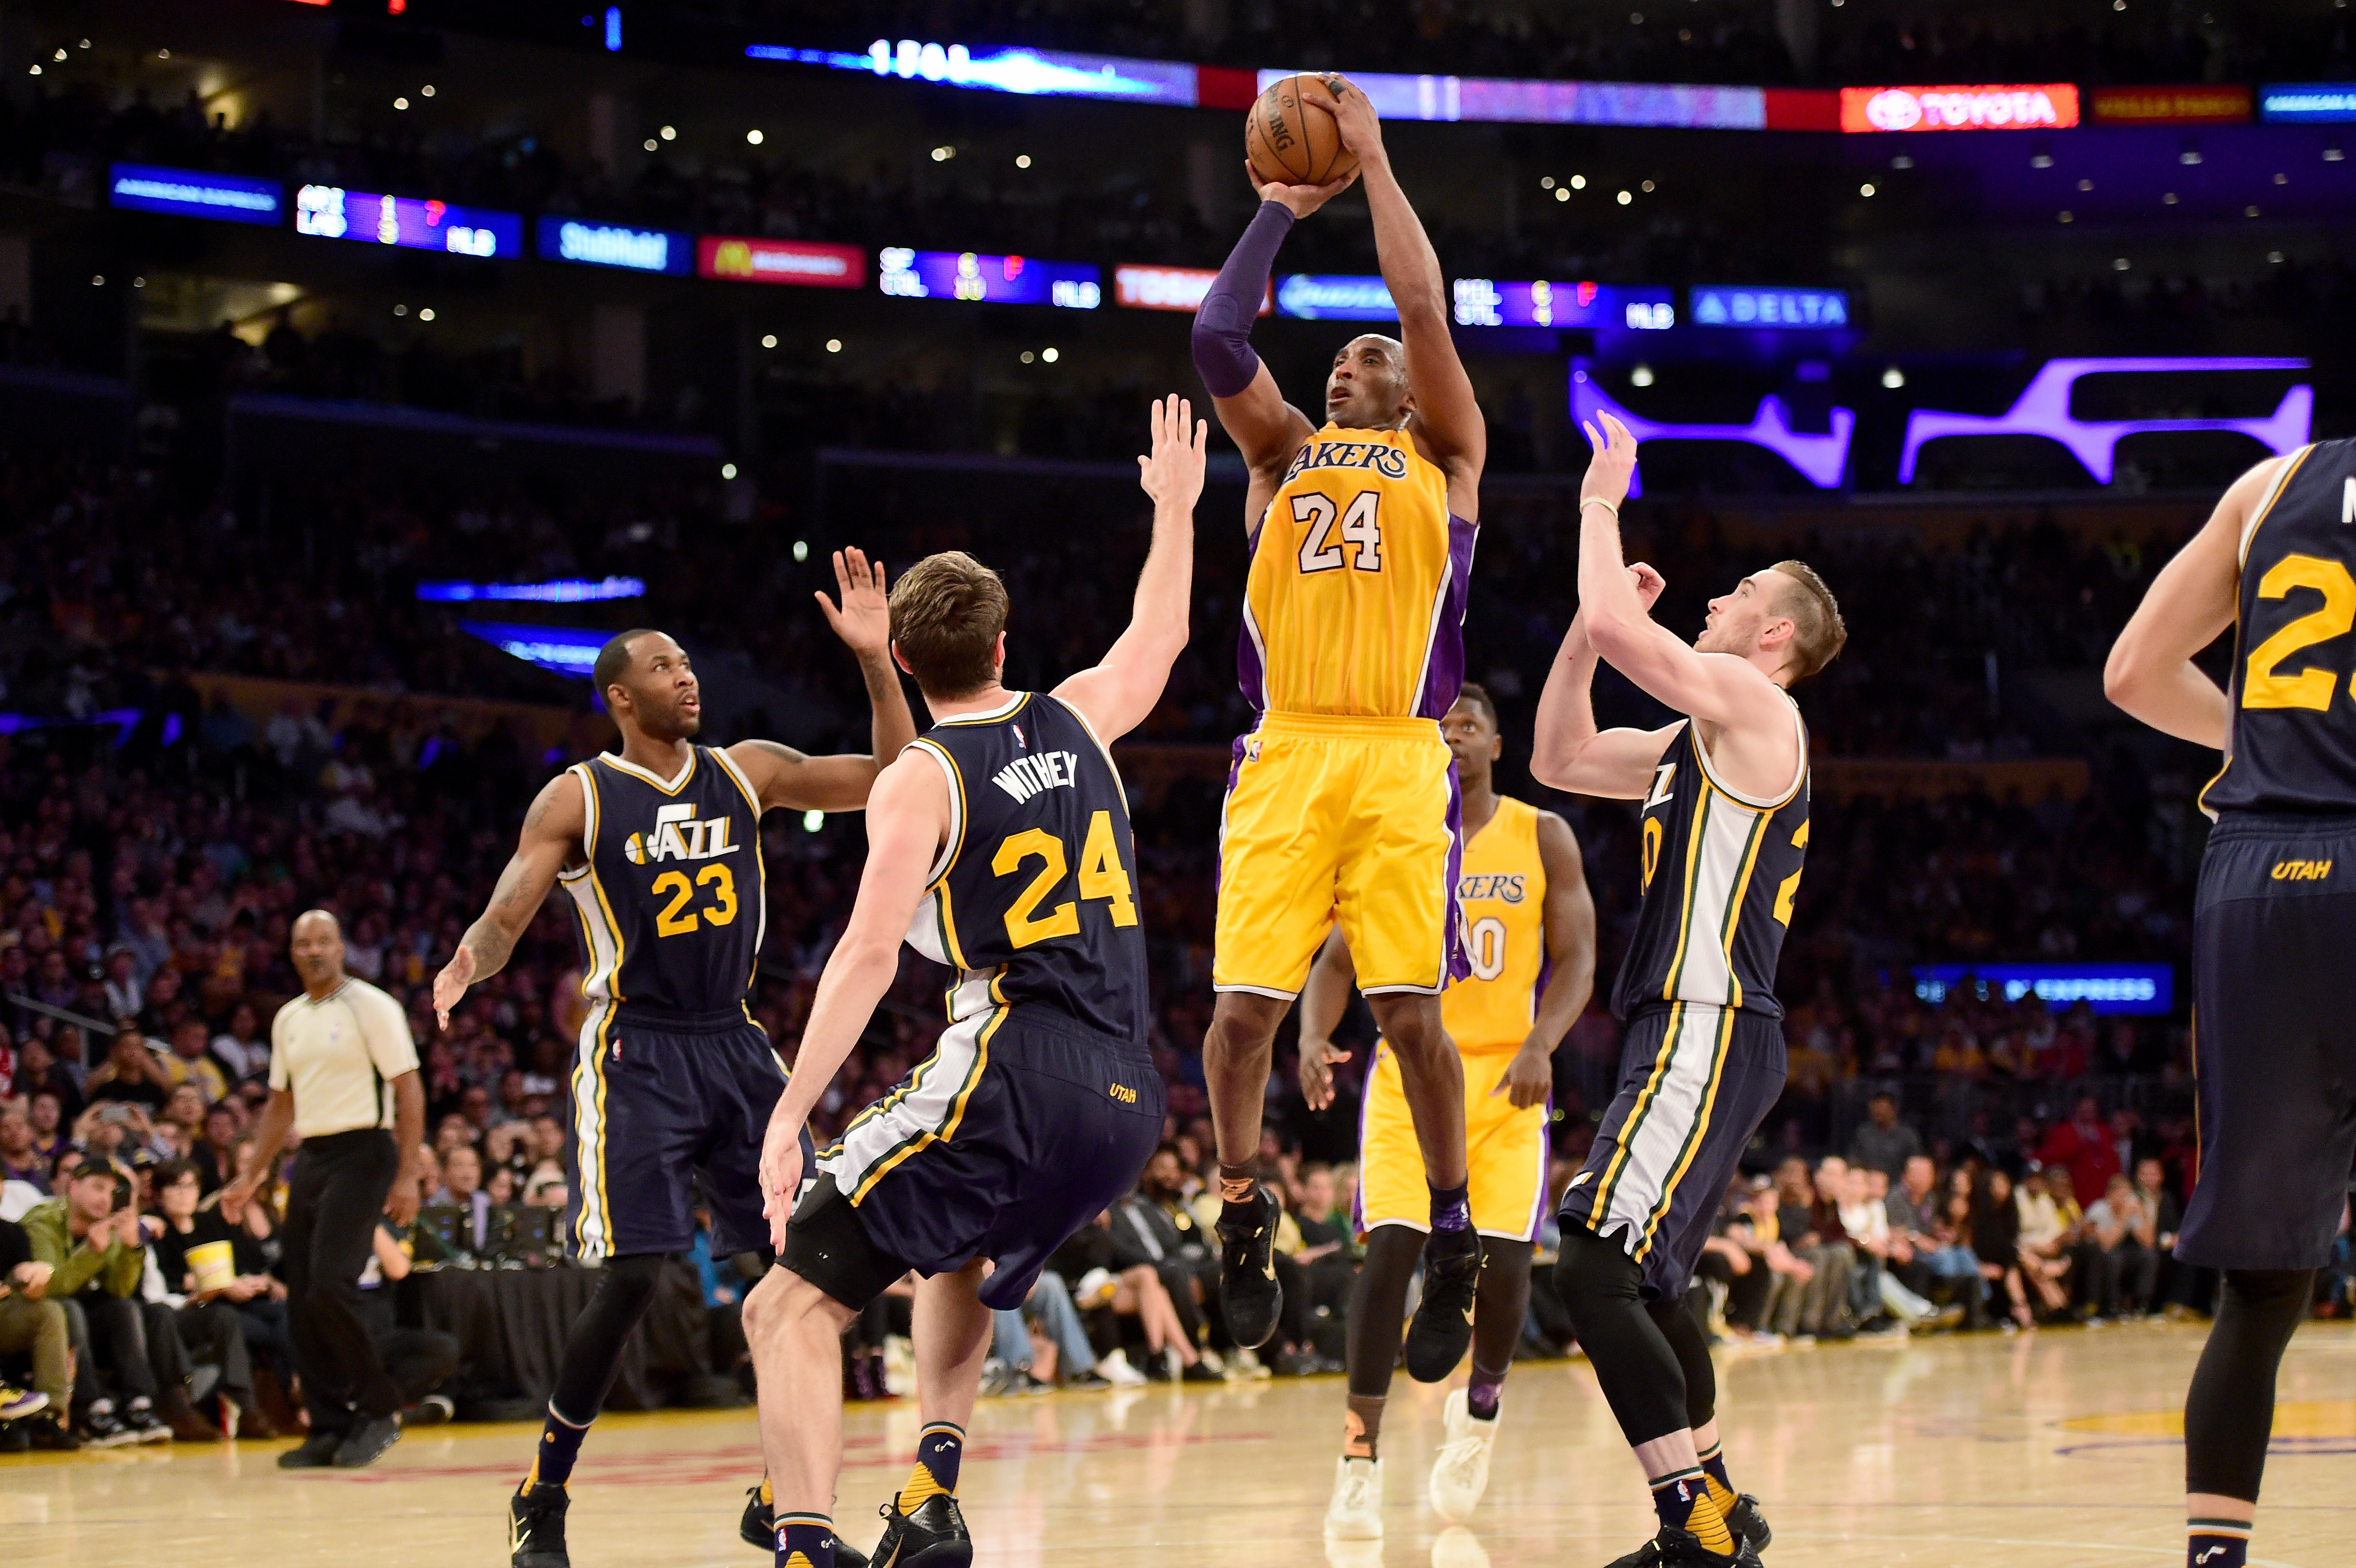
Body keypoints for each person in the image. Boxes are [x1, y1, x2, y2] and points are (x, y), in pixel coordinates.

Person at [739, 395, 1202, 1568]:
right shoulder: (1081, 718)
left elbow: (865, 949)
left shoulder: (921, 778)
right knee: (954, 1246)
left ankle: (799, 1538)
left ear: (902, 655)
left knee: (783, 1304)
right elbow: (1158, 634)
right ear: (1005, 642)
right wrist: (1176, 509)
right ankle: (931, 1494)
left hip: (1014, 1061)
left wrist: (791, 1110)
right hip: (1128, 1099)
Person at [435, 551, 917, 1568]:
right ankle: (544, 1490)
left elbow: (891, 776)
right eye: (662, 665)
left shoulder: (749, 769)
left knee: (819, 1255)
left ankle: (781, 1496)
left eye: (688, 661)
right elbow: (510, 905)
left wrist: (878, 664)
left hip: (735, 1041)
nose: (685, 675)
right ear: (619, 695)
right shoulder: (578, 796)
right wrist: (467, 963)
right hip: (637, 1051)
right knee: (634, 1275)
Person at [1187, 72, 1487, 1372]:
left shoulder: (1446, 451)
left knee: (1411, 1018)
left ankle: (1457, 1232)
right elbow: (1212, 339)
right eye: (1334, 358)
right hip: (1287, 744)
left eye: (1362, 357)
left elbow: (1419, 302)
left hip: (1397, 751)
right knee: (1241, 1014)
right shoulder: (1275, 458)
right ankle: (1242, 1203)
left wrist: (1367, 163)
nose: (1346, 363)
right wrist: (1271, 211)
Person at [1529, 412, 1846, 1568]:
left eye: (1732, 594)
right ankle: (1723, 1515)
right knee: (1650, 1284)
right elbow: (1557, 756)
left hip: (1705, 1023)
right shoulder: (1691, 736)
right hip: (1695, 1027)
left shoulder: (1759, 707)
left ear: (1770, 633)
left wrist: (1598, 502)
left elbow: (1626, 624)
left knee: (1591, 1263)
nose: (1709, 602)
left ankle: (1693, 1528)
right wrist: (1586, 626)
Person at [2103, 435, 2356, 1568]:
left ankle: (2215, 1557)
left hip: (2263, 869)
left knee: (2261, 1282)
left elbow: (2130, 675)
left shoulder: (2270, 483)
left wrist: (2258, 743)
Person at [1297, 682, 1597, 1537]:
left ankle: (1481, 1413)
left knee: (1505, 1270)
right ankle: (1359, 1459)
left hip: (1506, 1084)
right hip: (1408, 1078)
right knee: (1389, 1254)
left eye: (1470, 726)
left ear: (1497, 745)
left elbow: (1576, 960)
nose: (1454, 738)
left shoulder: (1544, 834)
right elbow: (1332, 963)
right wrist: (1314, 1038)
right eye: (1441, 729)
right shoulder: (1396, 834)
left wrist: (1544, 1041)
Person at [219, 910, 425, 1468]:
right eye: (302, 942)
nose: (313, 950)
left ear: (341, 946)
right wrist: (252, 1173)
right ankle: (329, 1423)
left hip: (365, 1150)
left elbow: (408, 1087)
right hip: (311, 1154)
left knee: (333, 1285)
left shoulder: (372, 1005)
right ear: (291, 952)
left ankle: (381, 1408)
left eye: (323, 941)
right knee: (304, 1293)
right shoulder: (288, 1017)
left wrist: (407, 1173)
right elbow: (281, 1100)